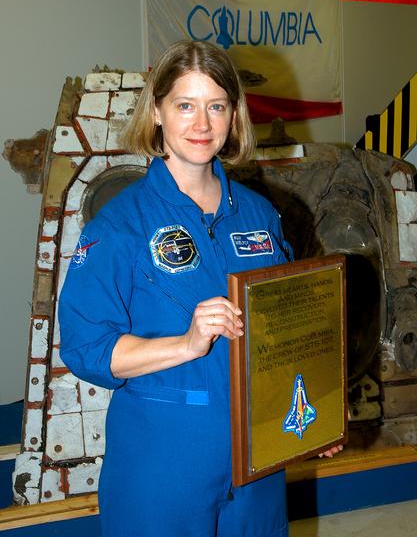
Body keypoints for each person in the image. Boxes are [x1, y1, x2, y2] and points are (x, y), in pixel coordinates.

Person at [59, 40, 338, 537]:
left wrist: (314, 411)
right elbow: (87, 348)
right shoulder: (121, 225)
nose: (202, 124)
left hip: (257, 463)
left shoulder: (258, 214)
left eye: (216, 106)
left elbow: (285, 331)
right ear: (157, 112)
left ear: (234, 114)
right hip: (164, 465)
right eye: (185, 105)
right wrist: (186, 344)